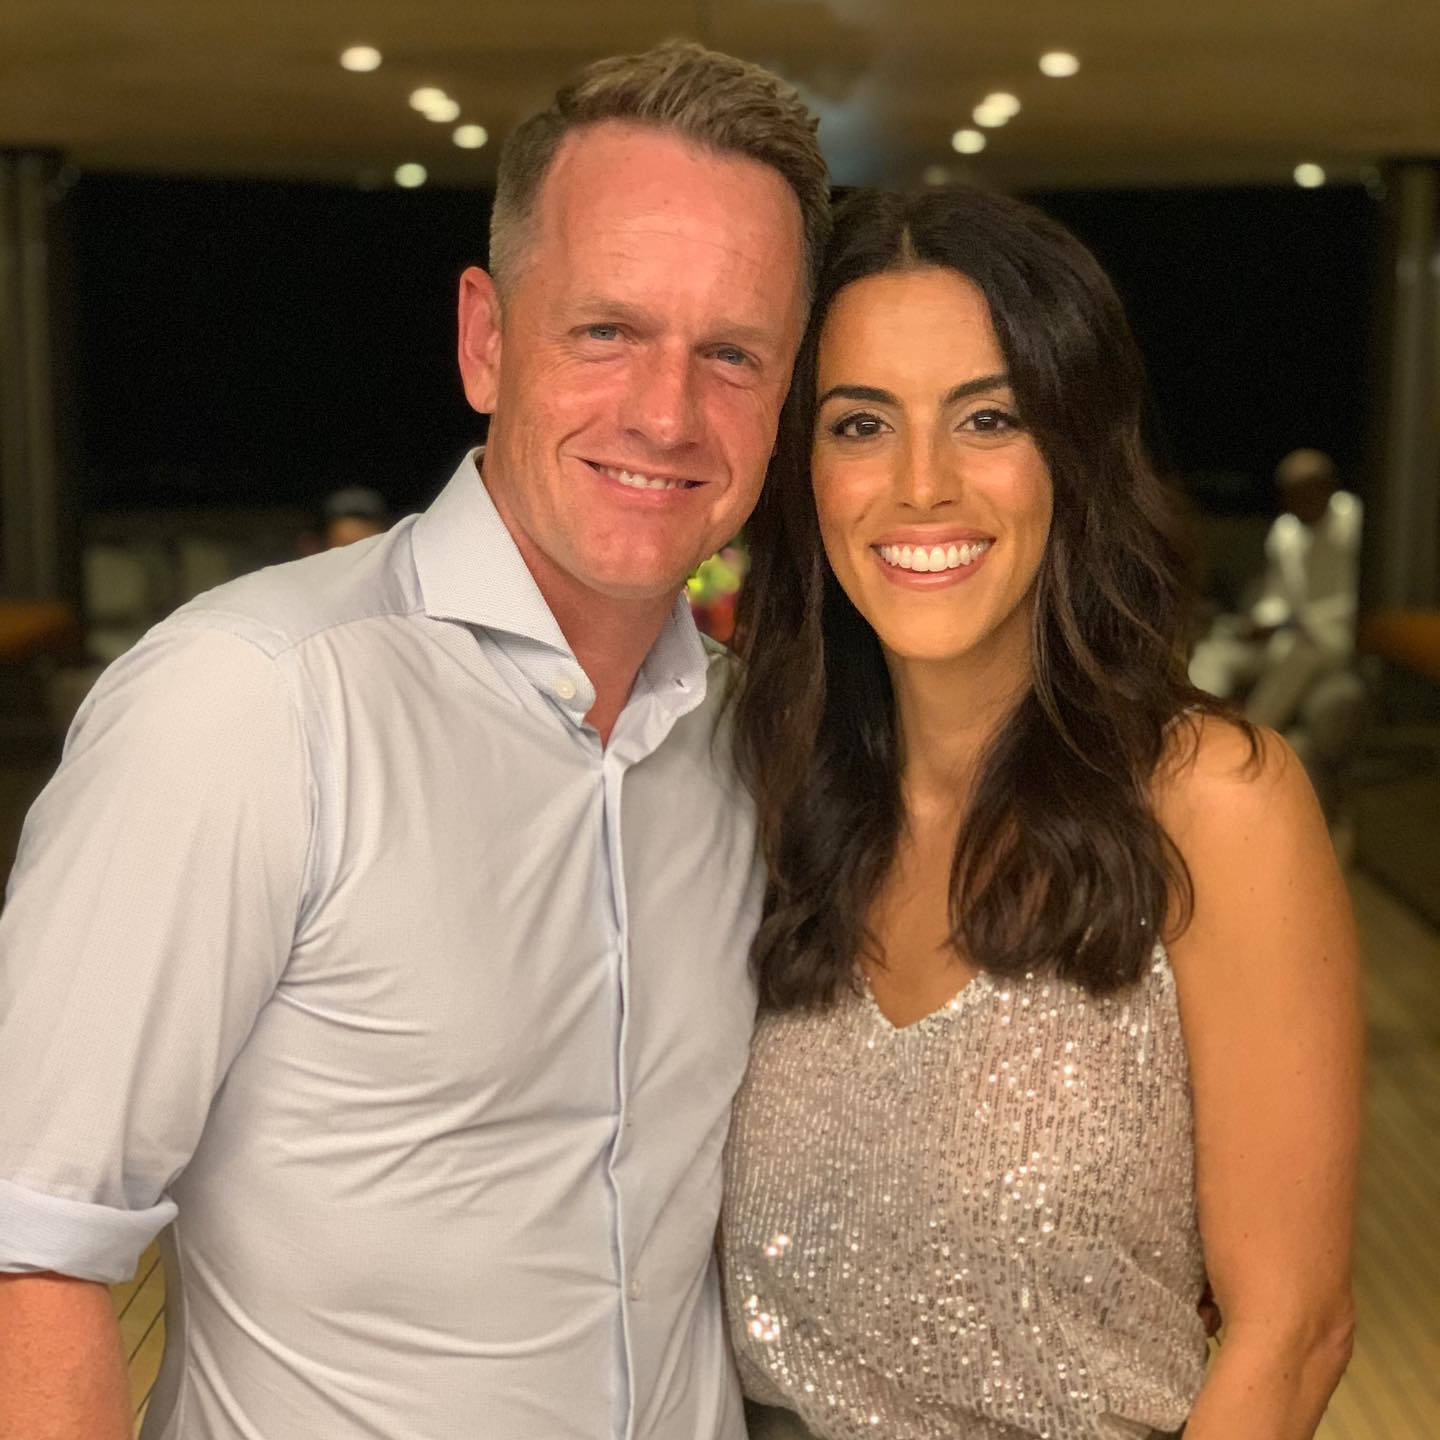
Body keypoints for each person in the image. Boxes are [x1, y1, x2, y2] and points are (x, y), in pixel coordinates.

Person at [0, 41, 828, 1440]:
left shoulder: (755, 744)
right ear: (485, 340)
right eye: (607, 331)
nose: (667, 412)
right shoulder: (252, 704)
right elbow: (31, 1253)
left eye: (733, 354)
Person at [722, 188, 1362, 1440]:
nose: (921, 486)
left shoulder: (1212, 804)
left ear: (1074, 449)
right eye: (861, 424)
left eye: (989, 418)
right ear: (804, 471)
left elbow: (1292, 1334)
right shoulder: (764, 798)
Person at [1188, 448, 1363, 732]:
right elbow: (1277, 597)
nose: (1296, 503)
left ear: (1327, 488)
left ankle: (1255, 734)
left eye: (1305, 494)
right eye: (1291, 495)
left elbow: (1359, 599)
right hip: (1286, 635)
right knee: (1214, 651)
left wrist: (1296, 622)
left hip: (1334, 638)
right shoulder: (1285, 531)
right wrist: (1262, 622)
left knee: (1297, 653)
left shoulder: (1355, 521)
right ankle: (1199, 725)